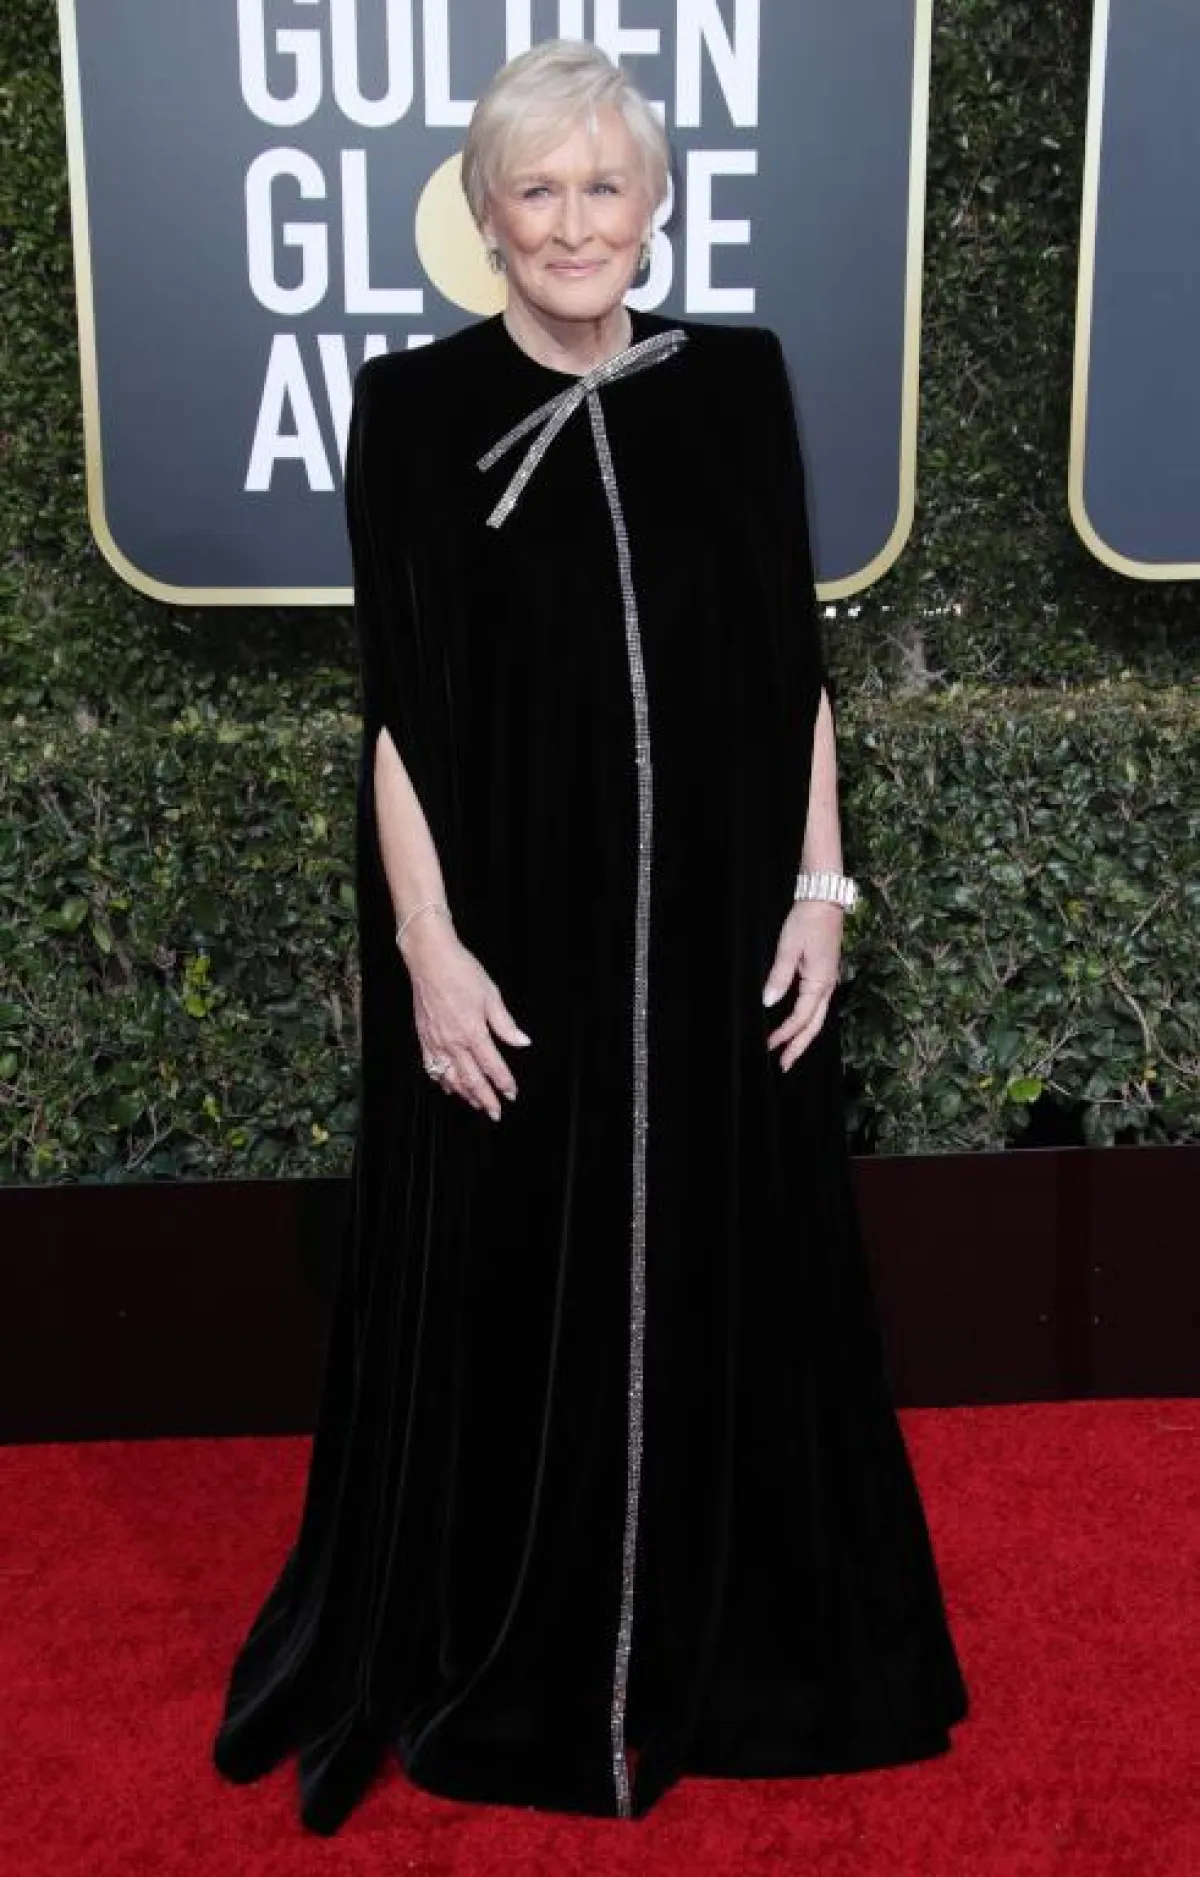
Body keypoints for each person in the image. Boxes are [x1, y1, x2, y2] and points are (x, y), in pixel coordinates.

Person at [212, 37, 969, 1834]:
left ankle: (724, 1640)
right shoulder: (412, 411)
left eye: (602, 187)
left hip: (719, 951)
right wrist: (428, 947)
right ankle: (519, 1643)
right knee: (513, 1295)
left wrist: (821, 890)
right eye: (535, 191)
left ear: (655, 208)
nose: (572, 223)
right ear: (485, 218)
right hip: (519, 960)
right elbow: (398, 716)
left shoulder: (737, 386)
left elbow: (791, 668)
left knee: (728, 1269)